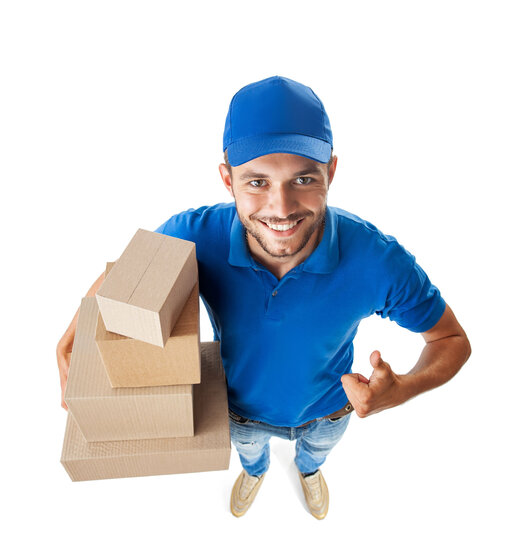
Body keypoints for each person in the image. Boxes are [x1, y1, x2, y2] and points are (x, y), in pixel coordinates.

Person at [57, 76, 471, 520]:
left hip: (330, 411)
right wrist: (65, 345)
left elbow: (451, 341)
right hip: (239, 412)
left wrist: (402, 390)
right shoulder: (191, 235)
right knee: (250, 453)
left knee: (316, 453)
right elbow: (123, 283)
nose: (281, 207)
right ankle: (254, 472)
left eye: (303, 178)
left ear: (330, 173)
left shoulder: (378, 260)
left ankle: (309, 472)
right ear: (227, 179)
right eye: (256, 181)